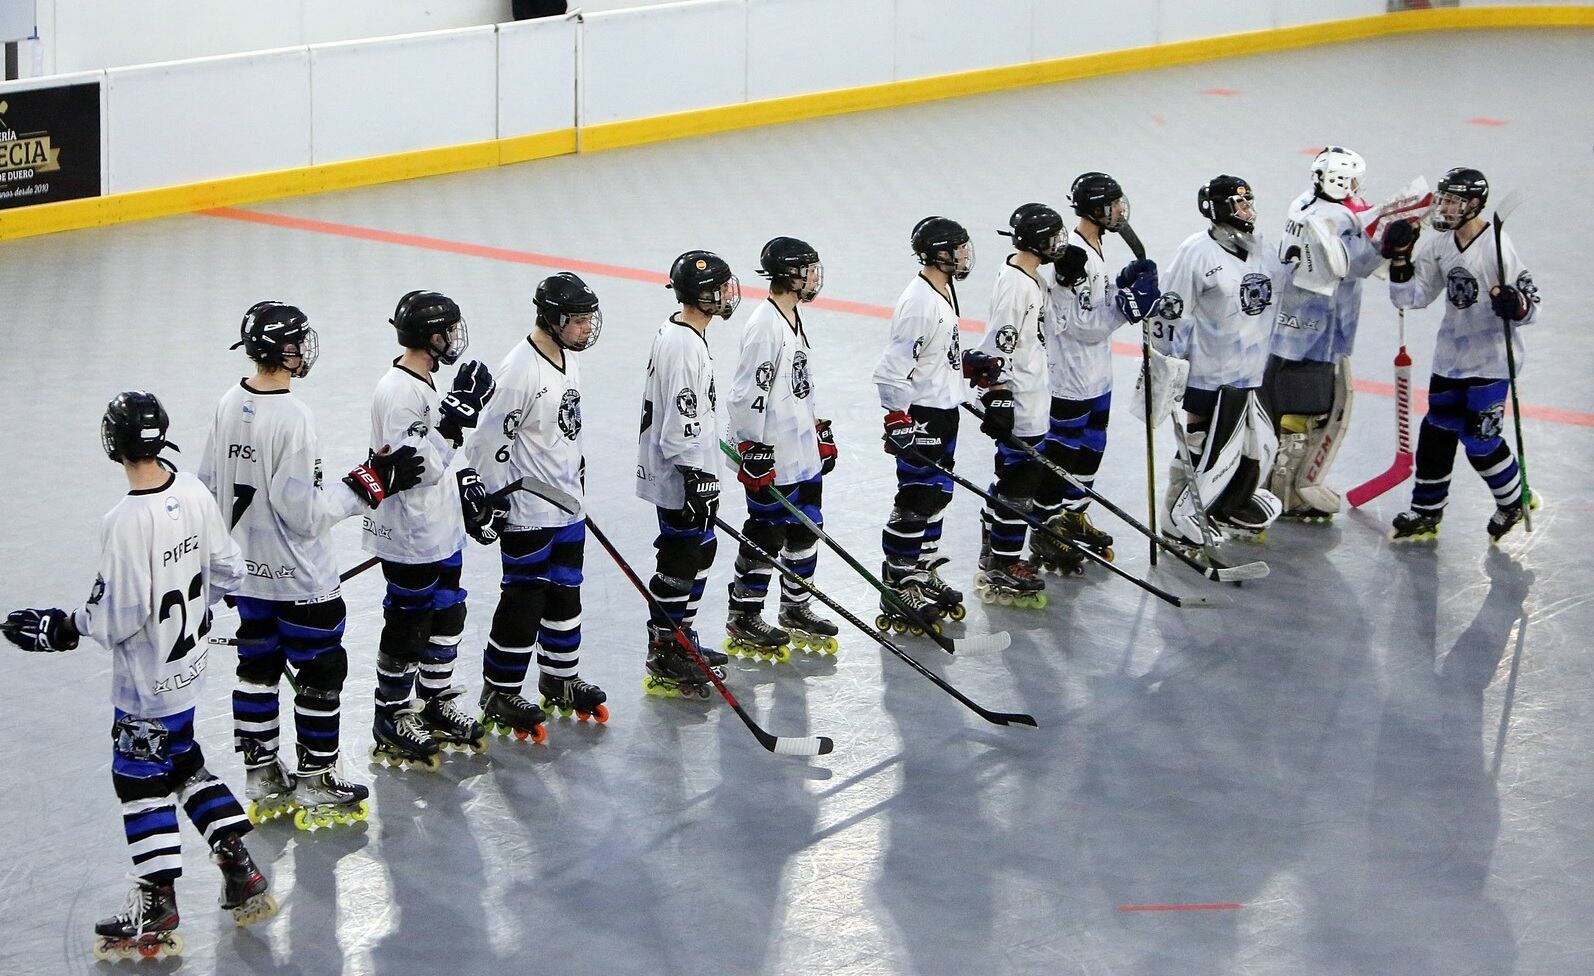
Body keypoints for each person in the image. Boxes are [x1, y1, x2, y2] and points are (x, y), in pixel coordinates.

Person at [4, 392, 276, 960]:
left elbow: (115, 617)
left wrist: (59, 626)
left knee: (137, 777)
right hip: (189, 668)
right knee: (181, 760)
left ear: (114, 444)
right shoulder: (193, 491)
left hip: (146, 685)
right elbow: (227, 568)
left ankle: (158, 904)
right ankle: (240, 866)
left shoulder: (125, 521)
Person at [199, 302, 422, 829]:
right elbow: (304, 514)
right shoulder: (294, 417)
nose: (306, 349)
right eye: (299, 341)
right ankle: (317, 779)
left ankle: (260, 774)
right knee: (322, 670)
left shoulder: (229, 402)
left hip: (247, 575)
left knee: (257, 666)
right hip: (300, 578)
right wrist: (371, 483)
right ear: (284, 351)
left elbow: (208, 486)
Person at [466, 273, 608, 738]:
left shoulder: (567, 357)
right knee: (524, 600)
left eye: (589, 318)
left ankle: (560, 677)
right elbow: (487, 443)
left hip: (568, 505)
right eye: (578, 319)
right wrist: (492, 499)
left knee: (566, 592)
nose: (587, 327)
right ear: (551, 319)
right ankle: (500, 689)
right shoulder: (519, 370)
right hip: (528, 511)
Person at [363, 290, 497, 768]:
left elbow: (436, 460)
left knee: (447, 613)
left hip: (439, 527)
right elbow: (414, 466)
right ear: (429, 336)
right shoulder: (397, 392)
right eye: (448, 330)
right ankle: (392, 713)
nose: (454, 338)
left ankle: (435, 702)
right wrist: (457, 421)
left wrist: (464, 488)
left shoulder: (420, 384)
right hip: (407, 534)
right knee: (408, 623)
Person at [1383, 167, 1541, 543]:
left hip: (1491, 362)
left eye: (1453, 201)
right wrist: (1401, 259)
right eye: (1444, 199)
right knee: (1436, 433)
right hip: (1450, 360)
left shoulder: (1498, 247)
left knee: (1480, 441)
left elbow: (1533, 306)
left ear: (1474, 204)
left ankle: (1514, 500)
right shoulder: (1440, 244)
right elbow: (1411, 297)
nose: (1445, 207)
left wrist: (1513, 304)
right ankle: (1426, 511)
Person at [1151, 174, 1287, 546]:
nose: (1248, 210)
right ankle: (1175, 518)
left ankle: (1224, 507)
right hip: (1208, 375)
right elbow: (1170, 312)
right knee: (1200, 444)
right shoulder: (1195, 252)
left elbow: (1287, 288)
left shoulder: (1262, 248)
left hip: (1251, 372)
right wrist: (1166, 369)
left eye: (1249, 202)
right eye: (1239, 204)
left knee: (1251, 447)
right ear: (1218, 210)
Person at [723, 236, 840, 661]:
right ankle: (744, 612)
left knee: (807, 529)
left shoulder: (792, 317)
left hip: (801, 450)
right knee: (765, 535)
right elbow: (743, 395)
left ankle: (795, 606)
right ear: (790, 275)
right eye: (807, 269)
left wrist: (816, 429)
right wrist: (751, 447)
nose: (813, 277)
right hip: (771, 454)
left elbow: (797, 384)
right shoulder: (764, 325)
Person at [1032, 172, 1155, 569]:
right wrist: (1128, 306)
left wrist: (1121, 287)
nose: (1121, 210)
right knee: (1063, 453)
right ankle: (1045, 528)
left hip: (1097, 372)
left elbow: (1094, 300)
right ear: (1097, 209)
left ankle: (1074, 514)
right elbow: (1079, 324)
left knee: (1092, 446)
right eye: (1114, 203)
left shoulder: (1095, 245)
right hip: (1071, 376)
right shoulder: (1071, 256)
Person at [1262, 146, 1384, 521]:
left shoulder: (1301, 204)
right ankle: (1289, 492)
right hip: (1320, 332)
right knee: (1309, 411)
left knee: (1276, 403)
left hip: (1284, 326)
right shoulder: (1339, 216)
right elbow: (1356, 264)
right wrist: (1393, 242)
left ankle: (1266, 484)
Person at [637, 251, 737, 698]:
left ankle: (682, 636)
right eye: (721, 287)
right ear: (704, 295)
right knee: (680, 556)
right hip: (680, 473)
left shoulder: (687, 334)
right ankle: (664, 646)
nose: (729, 293)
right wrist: (694, 473)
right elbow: (680, 416)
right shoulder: (682, 343)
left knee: (700, 550)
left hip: (694, 468)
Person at [872, 216, 974, 628]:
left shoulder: (943, 289)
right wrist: (898, 418)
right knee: (916, 498)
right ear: (939, 254)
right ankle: (898, 581)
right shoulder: (919, 302)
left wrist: (966, 367)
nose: (966, 255)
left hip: (945, 409)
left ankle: (922, 569)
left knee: (938, 495)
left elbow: (936, 352)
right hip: (924, 414)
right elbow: (890, 370)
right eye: (959, 248)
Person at [962, 204, 1064, 608]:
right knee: (1018, 485)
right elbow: (996, 346)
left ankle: (994, 550)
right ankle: (1003, 563)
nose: (1060, 243)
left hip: (1036, 396)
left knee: (1019, 480)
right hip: (1021, 400)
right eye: (1054, 237)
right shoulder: (1016, 285)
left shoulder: (1030, 277)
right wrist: (999, 394)